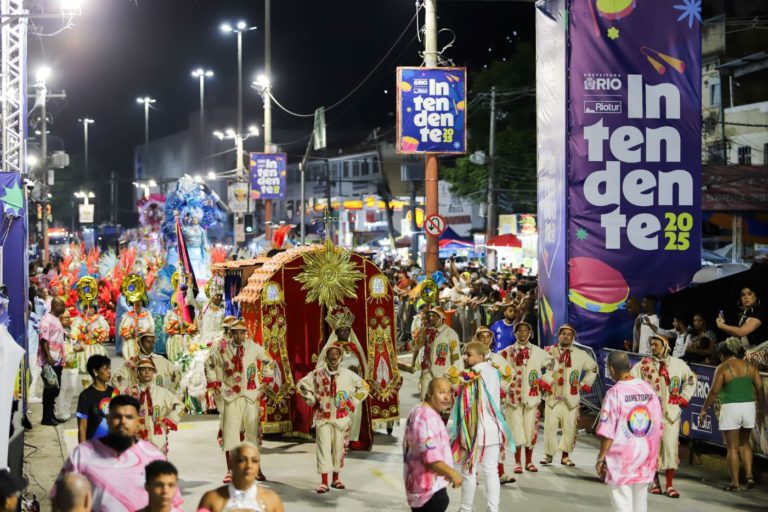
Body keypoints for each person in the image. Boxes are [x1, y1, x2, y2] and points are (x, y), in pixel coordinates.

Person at [53, 394, 183, 511]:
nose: (123, 422)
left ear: (138, 422)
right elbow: (59, 498)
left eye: (129, 417)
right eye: (117, 417)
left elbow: (172, 504)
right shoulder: (82, 454)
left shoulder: (154, 457)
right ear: (108, 419)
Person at [205, 320, 274, 483]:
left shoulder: (253, 347)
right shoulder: (221, 348)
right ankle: (230, 470)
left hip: (250, 395)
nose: (239, 336)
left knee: (253, 433)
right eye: (235, 332)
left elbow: (268, 360)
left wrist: (266, 381)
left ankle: (256, 469)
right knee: (230, 433)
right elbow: (208, 363)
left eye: (242, 332)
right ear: (230, 333)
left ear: (246, 333)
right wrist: (214, 382)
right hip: (230, 396)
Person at [297, 343, 370, 494]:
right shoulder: (317, 374)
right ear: (325, 356)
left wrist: (352, 402)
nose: (333, 356)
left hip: (341, 420)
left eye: (336, 354)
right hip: (323, 418)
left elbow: (365, 388)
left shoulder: (349, 375)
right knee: (323, 448)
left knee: (339, 449)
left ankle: (336, 478)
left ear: (341, 357)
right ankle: (324, 481)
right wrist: (312, 400)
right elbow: (301, 385)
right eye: (331, 353)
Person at [631, 334, 696, 498]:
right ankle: (655, 482)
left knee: (669, 446)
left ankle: (669, 484)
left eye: (656, 344)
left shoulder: (678, 365)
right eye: (651, 344)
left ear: (666, 346)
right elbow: (631, 381)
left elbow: (691, 379)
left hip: (671, 414)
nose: (653, 347)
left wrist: (684, 398)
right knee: (652, 449)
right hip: (650, 415)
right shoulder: (644, 365)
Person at [596, 351, 663, 512]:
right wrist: (657, 454)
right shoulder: (647, 389)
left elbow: (607, 431)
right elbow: (658, 425)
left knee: (622, 504)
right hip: (645, 457)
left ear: (611, 370)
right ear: (631, 366)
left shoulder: (614, 393)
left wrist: (601, 457)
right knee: (640, 505)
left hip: (621, 459)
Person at [450, 342, 512, 512]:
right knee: (491, 471)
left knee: (469, 471)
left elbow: (467, 405)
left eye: (468, 354)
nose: (465, 357)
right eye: (464, 353)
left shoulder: (473, 374)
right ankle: (493, 509)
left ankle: (465, 509)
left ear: (480, 355)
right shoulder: (494, 370)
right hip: (493, 428)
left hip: (474, 429)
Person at [700, 337, 766, 490]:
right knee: (745, 443)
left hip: (731, 408)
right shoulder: (751, 367)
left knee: (732, 447)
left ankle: (735, 483)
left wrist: (704, 409)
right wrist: (761, 408)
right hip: (749, 407)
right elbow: (760, 389)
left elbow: (713, 392)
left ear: (724, 354)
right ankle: (749, 476)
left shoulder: (723, 368)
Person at [499, 321, 554, 475]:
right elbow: (498, 369)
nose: (522, 333)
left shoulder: (538, 352)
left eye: (525, 330)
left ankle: (529, 461)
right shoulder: (506, 352)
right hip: (513, 398)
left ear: (530, 333)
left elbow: (552, 365)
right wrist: (503, 387)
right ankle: (517, 462)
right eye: (519, 331)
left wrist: (544, 380)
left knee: (530, 430)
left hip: (532, 397)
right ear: (514, 333)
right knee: (516, 431)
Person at [540, 324, 598, 467]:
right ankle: (548, 455)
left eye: (568, 334)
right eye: (563, 333)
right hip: (552, 397)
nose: (565, 336)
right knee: (550, 428)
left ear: (573, 337)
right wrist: (546, 379)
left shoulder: (580, 354)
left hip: (571, 399)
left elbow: (593, 368)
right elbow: (538, 366)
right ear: (558, 336)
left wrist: (583, 384)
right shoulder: (549, 351)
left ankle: (565, 456)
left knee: (569, 428)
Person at [403, 377, 462, 512]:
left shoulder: (419, 410)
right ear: (429, 393)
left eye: (449, 392)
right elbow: (430, 458)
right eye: (441, 392)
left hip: (423, 486)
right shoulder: (426, 419)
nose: (447, 397)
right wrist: (453, 474)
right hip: (428, 491)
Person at [315, 306, 369, 448]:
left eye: (347, 330)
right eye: (341, 330)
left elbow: (363, 368)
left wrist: (357, 372)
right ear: (336, 332)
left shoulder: (354, 348)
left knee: (352, 414)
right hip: (335, 388)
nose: (344, 333)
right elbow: (320, 369)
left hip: (351, 390)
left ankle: (349, 439)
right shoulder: (330, 349)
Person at [120, 357, 184, 454]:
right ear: (138, 372)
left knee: (158, 468)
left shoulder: (162, 392)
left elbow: (181, 407)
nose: (147, 372)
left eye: (150, 370)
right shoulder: (130, 392)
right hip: (136, 440)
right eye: (143, 370)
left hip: (157, 439)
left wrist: (168, 421)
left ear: (153, 373)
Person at [197, 442, 284, 512]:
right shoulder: (212, 499)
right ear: (231, 464)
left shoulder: (272, 500)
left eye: (254, 461)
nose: (249, 465)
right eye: (242, 460)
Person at [412, 307, 462, 400]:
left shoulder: (450, 333)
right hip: (426, 371)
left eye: (434, 316)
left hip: (442, 373)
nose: (431, 318)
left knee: (441, 403)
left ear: (442, 318)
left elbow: (456, 356)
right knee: (424, 399)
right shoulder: (426, 331)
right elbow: (417, 346)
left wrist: (455, 376)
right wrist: (413, 362)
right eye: (430, 316)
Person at [112, 330, 181, 393]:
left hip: (157, 401)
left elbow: (177, 373)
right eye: (148, 342)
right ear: (140, 343)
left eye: (153, 342)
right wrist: (126, 392)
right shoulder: (132, 362)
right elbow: (115, 379)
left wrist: (171, 392)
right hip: (138, 400)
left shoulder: (160, 360)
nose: (151, 345)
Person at [717, 287, 768, 371]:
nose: (745, 297)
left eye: (749, 294)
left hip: (762, 353)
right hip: (749, 353)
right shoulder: (744, 313)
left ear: (755, 297)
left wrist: (721, 326)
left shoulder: (760, 311)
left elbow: (742, 332)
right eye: (743, 295)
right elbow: (739, 334)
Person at [76, 354, 117, 443]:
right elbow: (82, 427)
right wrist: (83, 451)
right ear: (95, 371)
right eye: (105, 369)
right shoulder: (85, 396)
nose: (109, 372)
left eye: (109, 368)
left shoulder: (114, 392)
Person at [71, 296, 110, 388]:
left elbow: (105, 331)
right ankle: (86, 388)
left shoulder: (100, 319)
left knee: (98, 368)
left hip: (96, 347)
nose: (90, 310)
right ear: (83, 309)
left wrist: (96, 334)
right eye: (87, 308)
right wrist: (83, 332)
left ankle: (98, 387)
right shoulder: (79, 320)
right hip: (84, 348)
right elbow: (74, 333)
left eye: (92, 307)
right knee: (85, 369)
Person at [40, 297, 67, 425]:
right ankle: (46, 418)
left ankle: (51, 415)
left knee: (55, 389)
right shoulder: (47, 319)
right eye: (62, 305)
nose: (64, 308)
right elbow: (43, 339)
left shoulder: (56, 319)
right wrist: (49, 357)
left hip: (58, 360)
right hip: (51, 361)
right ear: (55, 306)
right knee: (50, 390)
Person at [55, 310, 81, 422]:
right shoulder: (57, 330)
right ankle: (60, 412)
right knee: (63, 388)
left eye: (69, 317)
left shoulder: (75, 330)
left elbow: (81, 345)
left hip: (73, 363)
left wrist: (78, 347)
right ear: (59, 319)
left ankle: (66, 409)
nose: (68, 319)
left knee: (72, 387)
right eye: (65, 317)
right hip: (61, 364)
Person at [119, 294, 155, 361]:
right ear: (133, 304)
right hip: (130, 345)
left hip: (143, 344)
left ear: (142, 304)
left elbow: (151, 330)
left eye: (139, 304)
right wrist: (132, 331)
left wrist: (142, 332)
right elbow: (122, 331)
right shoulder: (127, 316)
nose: (137, 306)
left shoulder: (147, 316)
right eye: (135, 304)